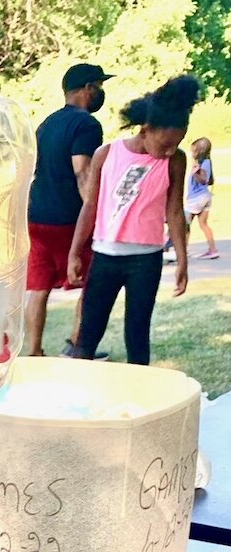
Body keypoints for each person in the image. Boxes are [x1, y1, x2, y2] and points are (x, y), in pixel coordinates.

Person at [68, 76, 201, 365]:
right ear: (146, 129)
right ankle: (76, 395)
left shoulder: (175, 160)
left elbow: (175, 212)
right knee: (88, 333)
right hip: (105, 256)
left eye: (175, 145)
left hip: (145, 261)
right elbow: (90, 205)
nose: (169, 151)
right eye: (165, 144)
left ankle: (142, 401)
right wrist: (75, 252)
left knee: (137, 335)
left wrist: (182, 259)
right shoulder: (107, 154)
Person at [25, 62, 112, 358]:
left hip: (36, 217)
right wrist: (95, 212)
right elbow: (82, 170)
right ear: (88, 89)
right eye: (99, 87)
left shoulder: (45, 124)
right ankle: (77, 346)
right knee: (89, 281)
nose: (101, 93)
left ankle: (34, 351)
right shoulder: (87, 124)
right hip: (68, 219)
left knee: (38, 287)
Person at [184, 137, 218, 260]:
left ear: (200, 151)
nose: (192, 154)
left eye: (193, 151)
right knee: (203, 224)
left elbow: (203, 180)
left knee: (185, 225)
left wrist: (196, 172)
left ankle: (182, 251)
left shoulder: (202, 164)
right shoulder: (208, 162)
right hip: (205, 197)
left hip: (196, 199)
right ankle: (213, 250)